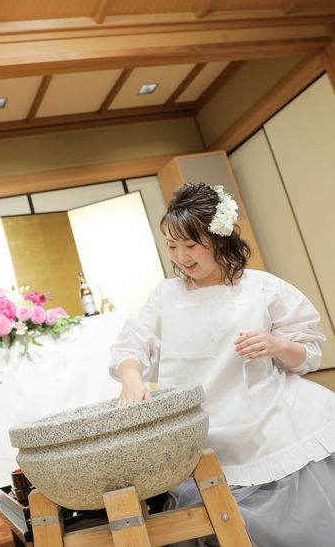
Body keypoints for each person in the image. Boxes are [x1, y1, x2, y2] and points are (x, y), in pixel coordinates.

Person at [109, 182, 335, 546]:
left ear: (219, 239)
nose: (181, 256)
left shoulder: (262, 287)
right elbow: (131, 346)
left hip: (267, 418)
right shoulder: (166, 296)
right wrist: (132, 377)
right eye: (172, 245)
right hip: (202, 430)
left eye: (191, 244)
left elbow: (307, 353)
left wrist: (276, 345)